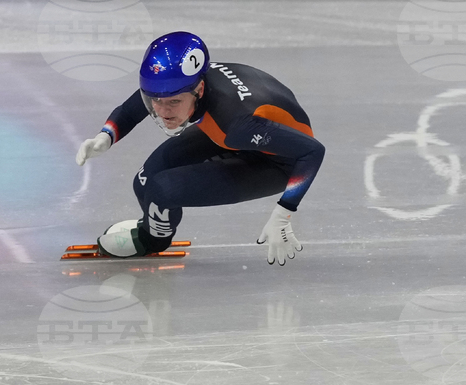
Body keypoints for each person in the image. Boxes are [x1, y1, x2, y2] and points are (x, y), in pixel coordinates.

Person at [76, 31, 326, 265]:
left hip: (279, 161)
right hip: (243, 130)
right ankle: (154, 224)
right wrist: (105, 137)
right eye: (156, 100)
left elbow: (312, 151)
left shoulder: (234, 123)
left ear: (200, 89)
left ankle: (151, 240)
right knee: (144, 180)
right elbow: (135, 106)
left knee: (162, 190)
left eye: (174, 102)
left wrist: (284, 212)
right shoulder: (183, 83)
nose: (162, 111)